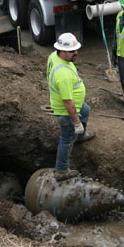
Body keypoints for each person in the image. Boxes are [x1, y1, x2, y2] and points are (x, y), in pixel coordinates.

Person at [48, 33, 94, 181]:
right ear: (62, 51)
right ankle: (61, 170)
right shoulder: (63, 75)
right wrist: (76, 122)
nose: (76, 53)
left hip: (75, 104)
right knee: (67, 139)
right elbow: (68, 103)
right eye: (72, 51)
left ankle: (80, 136)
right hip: (66, 111)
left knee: (86, 110)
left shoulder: (53, 56)